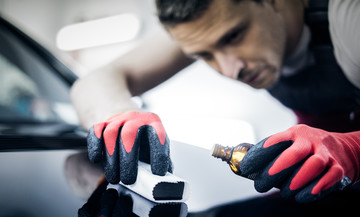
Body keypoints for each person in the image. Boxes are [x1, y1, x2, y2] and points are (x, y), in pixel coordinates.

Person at [71, 0, 360, 204]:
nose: (231, 70)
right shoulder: (207, 24)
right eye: (204, 55)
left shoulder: (350, 20)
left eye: (234, 36)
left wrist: (352, 148)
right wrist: (119, 117)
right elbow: (95, 82)